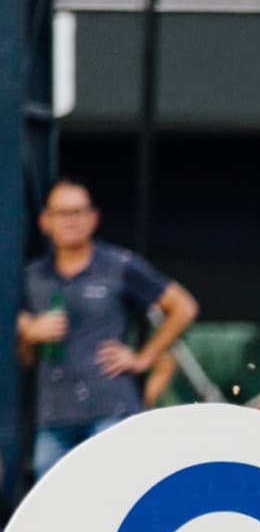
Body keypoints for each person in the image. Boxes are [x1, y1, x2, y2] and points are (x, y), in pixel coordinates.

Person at [15, 177, 198, 479]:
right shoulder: (31, 277)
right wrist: (29, 332)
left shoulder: (118, 265)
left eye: (78, 212)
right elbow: (24, 358)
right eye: (61, 213)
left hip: (110, 410)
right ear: (45, 221)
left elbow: (184, 306)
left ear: (93, 217)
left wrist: (143, 358)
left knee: (114, 495)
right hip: (52, 416)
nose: (70, 220)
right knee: (51, 502)